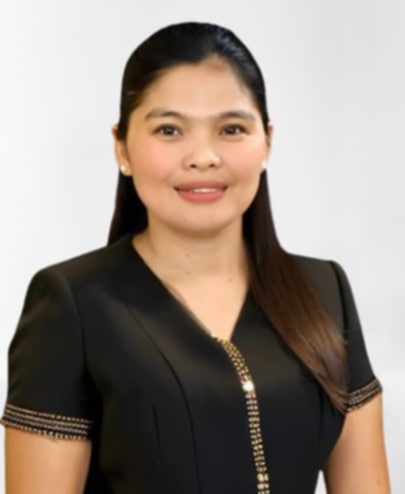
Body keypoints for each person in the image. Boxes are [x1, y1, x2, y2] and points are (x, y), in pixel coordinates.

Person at [0, 21, 390, 494]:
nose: (203, 156)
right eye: (169, 130)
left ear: (267, 141)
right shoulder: (73, 305)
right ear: (122, 146)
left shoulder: (325, 290)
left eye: (231, 129)